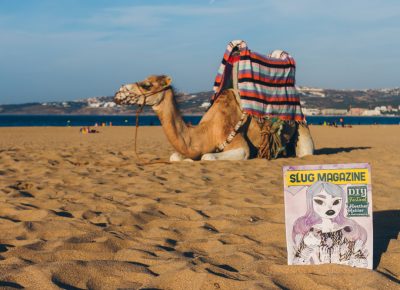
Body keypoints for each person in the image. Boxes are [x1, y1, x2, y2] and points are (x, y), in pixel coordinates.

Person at [292, 181, 368, 267]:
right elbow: (297, 262)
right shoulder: (311, 232)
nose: (329, 207)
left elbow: (362, 263)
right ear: (310, 202)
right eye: (320, 201)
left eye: (336, 202)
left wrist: (347, 258)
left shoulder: (345, 231)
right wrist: (310, 250)